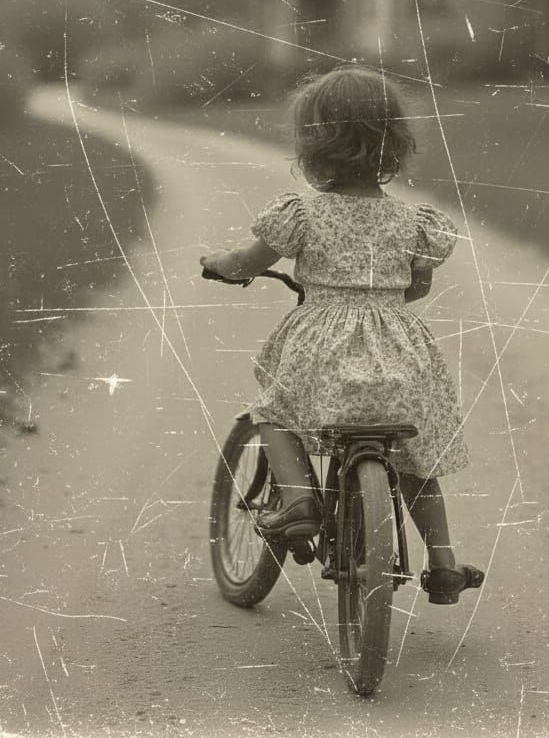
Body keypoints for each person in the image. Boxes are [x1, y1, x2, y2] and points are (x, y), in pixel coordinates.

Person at [200, 64, 483, 605]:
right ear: (395, 144)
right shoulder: (414, 222)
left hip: (320, 352)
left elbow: (245, 262)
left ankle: (301, 504)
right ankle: (444, 564)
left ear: (313, 147)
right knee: (414, 456)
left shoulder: (301, 215)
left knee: (274, 413)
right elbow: (415, 290)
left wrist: (218, 263)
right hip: (400, 358)